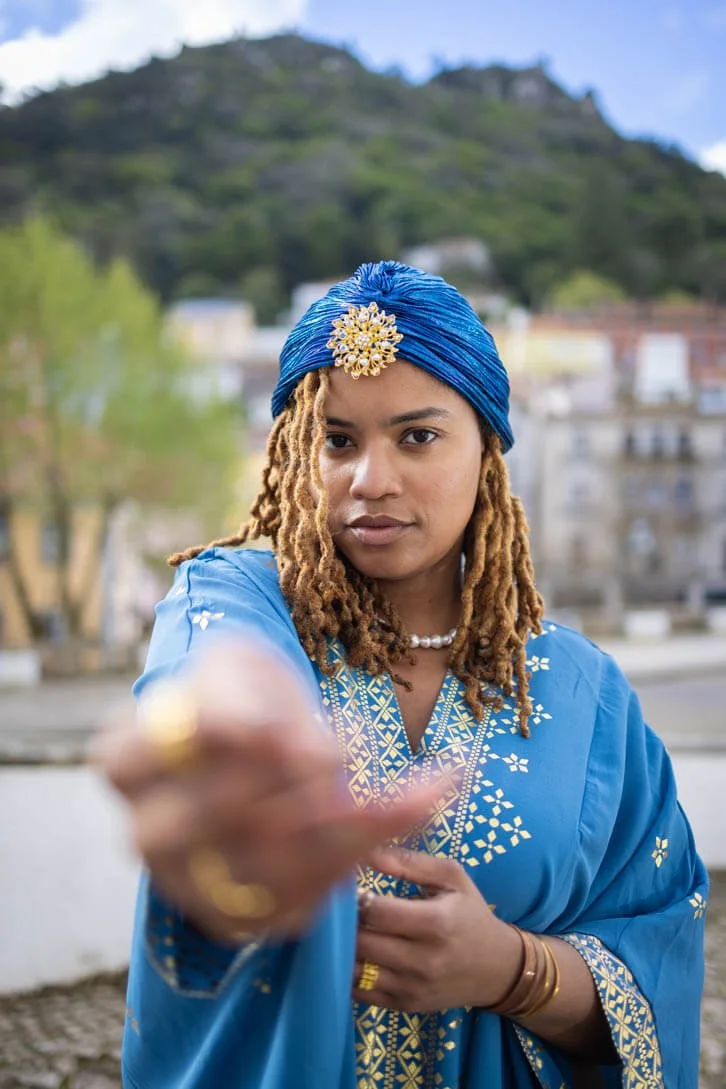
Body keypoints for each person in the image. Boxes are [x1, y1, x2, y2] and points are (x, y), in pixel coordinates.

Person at [99, 261, 707, 1089]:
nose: (370, 480)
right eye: (337, 439)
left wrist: (513, 970)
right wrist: (234, 738)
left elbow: (661, 944)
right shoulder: (236, 598)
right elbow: (225, 674)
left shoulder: (582, 690)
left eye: (417, 436)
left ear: (487, 450)